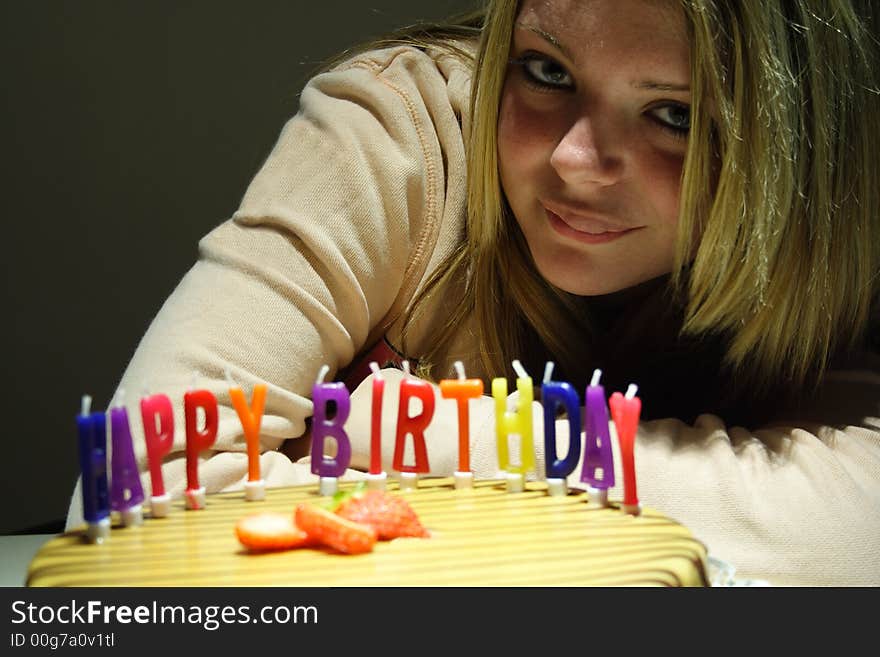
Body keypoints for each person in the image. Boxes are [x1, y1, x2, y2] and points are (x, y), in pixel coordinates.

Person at [66, 0, 879, 586]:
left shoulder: (838, 218)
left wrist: (403, 436)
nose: (572, 159)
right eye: (548, 70)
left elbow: (858, 531)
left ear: (794, 156)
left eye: (673, 115)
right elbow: (127, 500)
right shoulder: (400, 134)